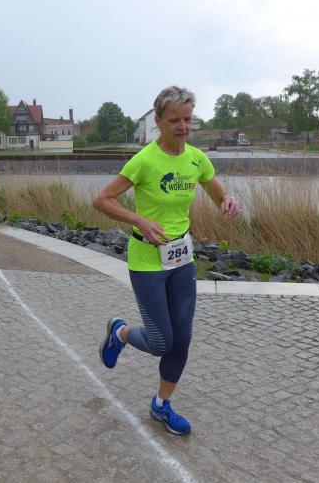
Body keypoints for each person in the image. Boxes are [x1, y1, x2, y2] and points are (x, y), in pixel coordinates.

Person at [93, 86, 240, 436]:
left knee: (181, 340)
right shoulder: (144, 160)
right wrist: (139, 220)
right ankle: (120, 332)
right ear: (158, 121)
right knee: (161, 341)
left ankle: (161, 404)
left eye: (188, 119)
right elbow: (102, 200)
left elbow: (215, 190)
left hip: (181, 260)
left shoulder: (196, 159)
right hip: (147, 261)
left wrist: (226, 200)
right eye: (174, 120)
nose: (183, 126)